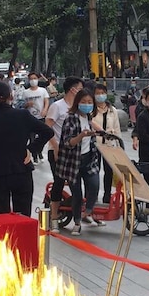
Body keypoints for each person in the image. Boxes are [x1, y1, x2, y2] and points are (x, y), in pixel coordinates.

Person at [0, 81, 54, 217]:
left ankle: (4, 238)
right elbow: (47, 132)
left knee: (1, 216)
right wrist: (31, 149)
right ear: (10, 96)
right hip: (21, 168)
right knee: (23, 215)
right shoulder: (22, 115)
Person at [55, 89, 105, 236]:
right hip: (73, 162)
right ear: (77, 103)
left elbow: (93, 131)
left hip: (89, 159)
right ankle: (76, 222)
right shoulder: (70, 118)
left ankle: (87, 213)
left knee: (94, 186)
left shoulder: (88, 117)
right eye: (83, 102)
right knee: (77, 193)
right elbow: (68, 142)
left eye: (90, 102)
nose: (87, 105)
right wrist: (82, 135)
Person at [46, 76, 84, 230]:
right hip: (57, 151)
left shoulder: (78, 107)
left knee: (76, 185)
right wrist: (55, 147)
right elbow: (47, 127)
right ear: (72, 89)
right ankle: (54, 217)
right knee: (59, 182)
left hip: (74, 153)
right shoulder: (57, 106)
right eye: (80, 89)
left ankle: (78, 220)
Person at [91, 83, 120, 203]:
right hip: (95, 144)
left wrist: (119, 143)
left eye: (102, 93)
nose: (100, 96)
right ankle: (93, 194)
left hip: (109, 144)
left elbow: (117, 127)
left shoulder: (112, 110)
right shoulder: (90, 109)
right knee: (94, 171)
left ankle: (107, 195)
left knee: (109, 171)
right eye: (97, 93)